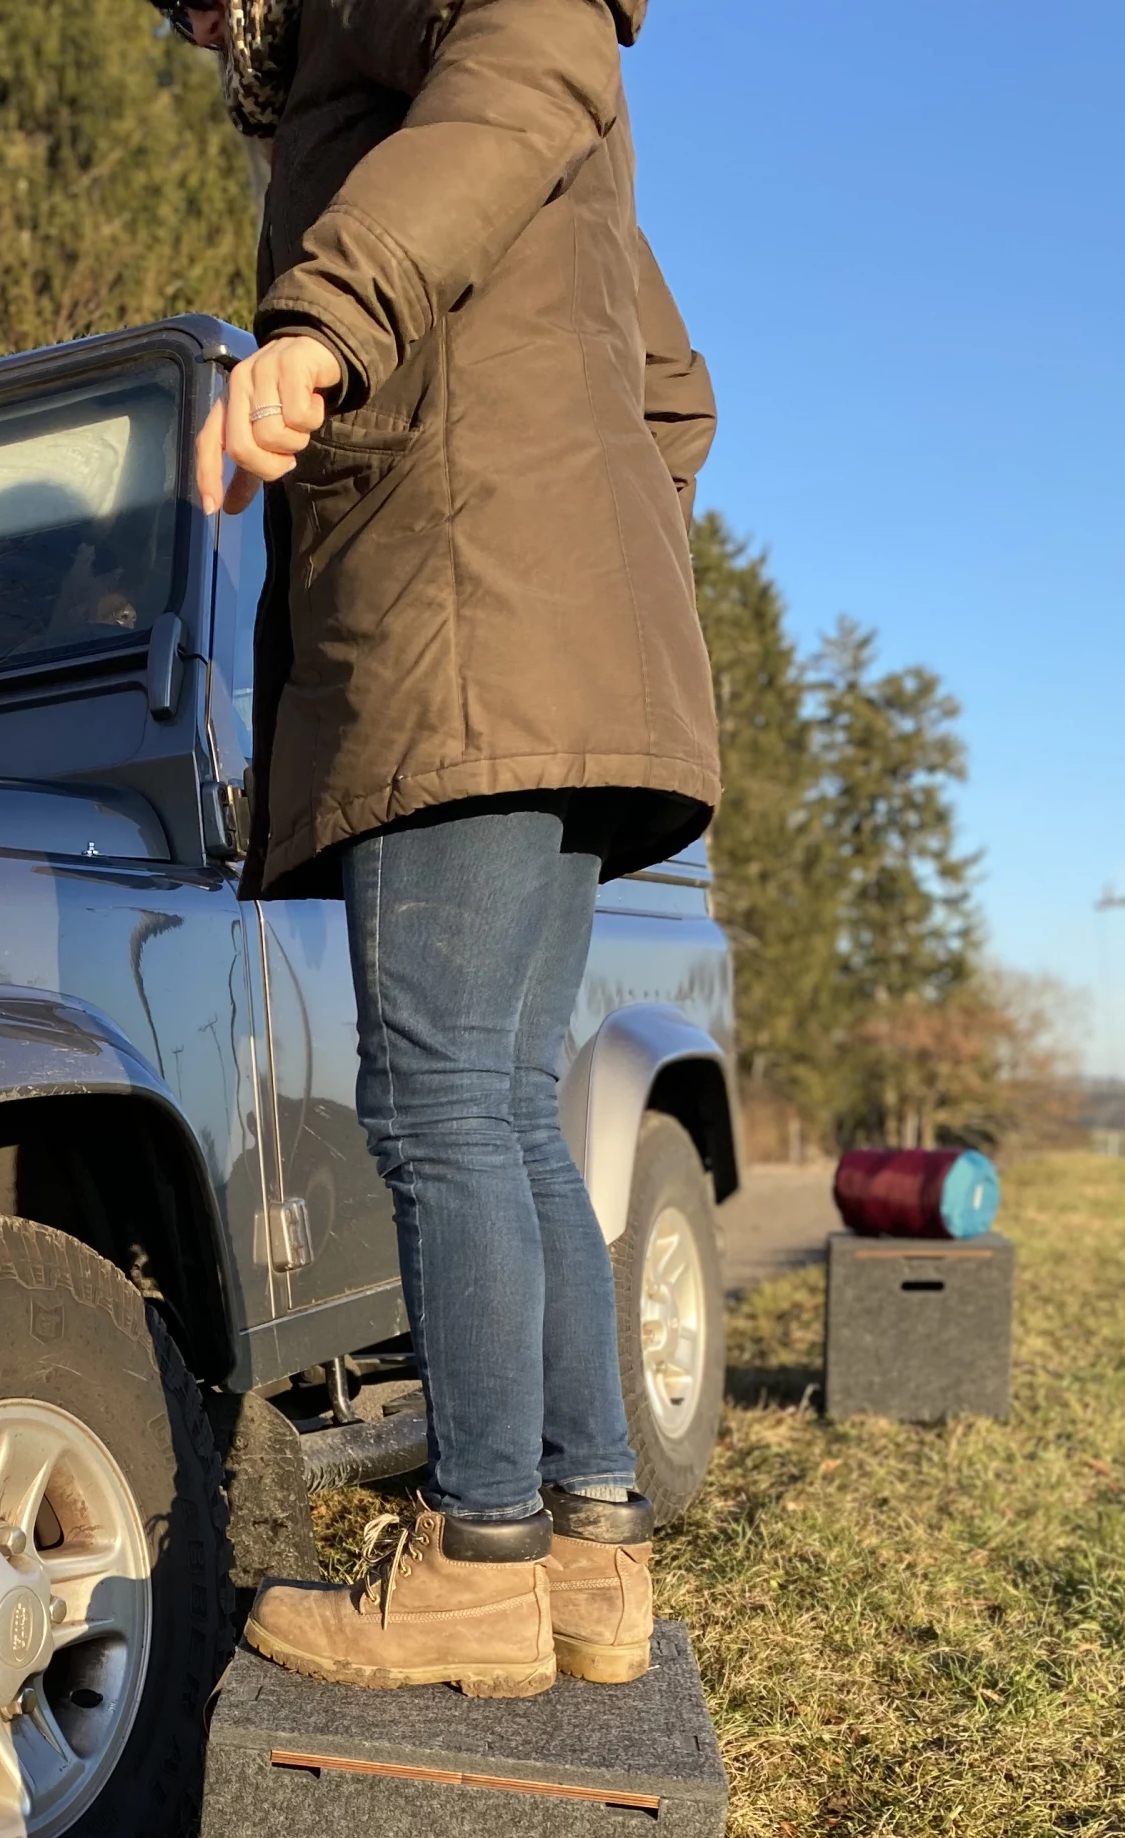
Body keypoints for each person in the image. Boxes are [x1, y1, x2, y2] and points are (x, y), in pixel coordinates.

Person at [159, 0, 720, 1698]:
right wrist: (584, 542)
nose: (205, 31)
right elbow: (672, 399)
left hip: (455, 630)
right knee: (505, 1101)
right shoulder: (542, 181)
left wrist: (321, 329)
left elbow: (541, 33)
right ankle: (587, 1550)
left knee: (436, 1102)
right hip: (545, 631)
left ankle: (479, 1559)